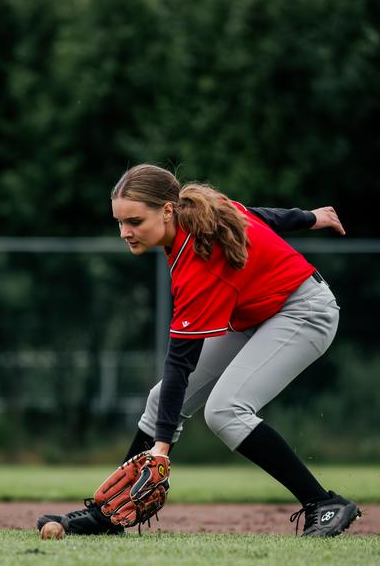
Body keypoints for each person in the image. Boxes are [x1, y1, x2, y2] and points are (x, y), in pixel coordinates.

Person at [37, 164, 361, 537]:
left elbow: (180, 364)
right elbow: (256, 215)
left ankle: (323, 503)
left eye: (135, 221)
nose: (125, 232)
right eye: (119, 221)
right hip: (256, 313)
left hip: (304, 311)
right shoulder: (202, 211)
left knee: (225, 410)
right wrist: (309, 218)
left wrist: (159, 449)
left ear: (168, 211)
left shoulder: (199, 262)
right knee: (162, 401)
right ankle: (109, 517)